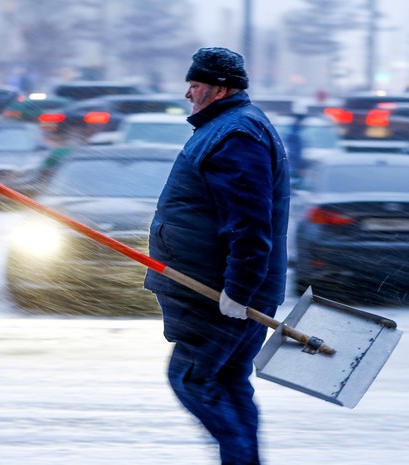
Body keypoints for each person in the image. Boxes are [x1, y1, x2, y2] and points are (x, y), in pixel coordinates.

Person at [144, 47, 290, 465]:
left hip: (219, 295)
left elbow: (249, 222)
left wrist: (238, 291)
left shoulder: (236, 135)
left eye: (195, 84)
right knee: (227, 382)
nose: (188, 93)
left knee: (192, 379)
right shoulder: (229, 128)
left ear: (219, 88)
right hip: (222, 292)